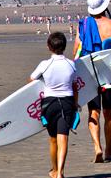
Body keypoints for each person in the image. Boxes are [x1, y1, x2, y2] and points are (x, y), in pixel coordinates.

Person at [72, 0, 111, 163]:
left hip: (89, 73)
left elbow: (77, 50)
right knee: (109, 113)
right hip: (109, 74)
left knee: (94, 112)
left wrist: (77, 73)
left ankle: (97, 146)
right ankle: (108, 151)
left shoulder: (82, 25)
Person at [29, 32, 80, 178]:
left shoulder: (44, 65)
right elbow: (75, 86)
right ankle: (60, 173)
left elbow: (31, 81)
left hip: (49, 105)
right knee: (63, 138)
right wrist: (75, 104)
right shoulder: (71, 64)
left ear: (48, 47)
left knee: (53, 139)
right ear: (64, 46)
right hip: (66, 103)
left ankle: (55, 169)